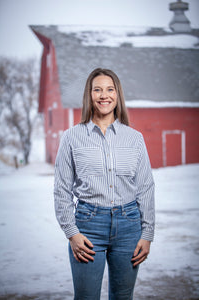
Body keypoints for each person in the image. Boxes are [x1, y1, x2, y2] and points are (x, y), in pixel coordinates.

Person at [54, 68, 155, 300]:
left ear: (117, 95)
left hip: (129, 226)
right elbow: (61, 189)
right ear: (89, 95)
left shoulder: (134, 138)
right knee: (86, 296)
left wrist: (147, 233)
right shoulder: (72, 137)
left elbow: (146, 187)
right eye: (97, 89)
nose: (104, 95)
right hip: (88, 227)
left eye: (110, 89)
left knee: (123, 296)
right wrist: (72, 233)